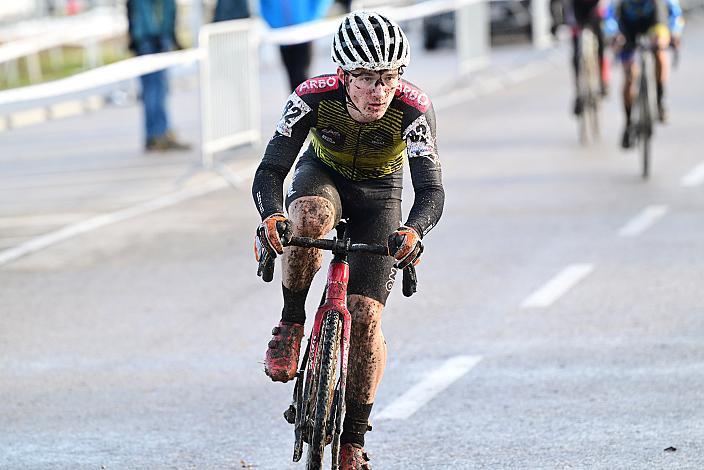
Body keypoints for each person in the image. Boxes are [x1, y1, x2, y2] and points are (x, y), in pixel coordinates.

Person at [251, 11, 444, 469]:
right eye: (366, 78)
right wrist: (273, 215)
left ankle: (353, 439)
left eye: (389, 77)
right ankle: (292, 322)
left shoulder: (414, 109)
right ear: (342, 75)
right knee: (308, 218)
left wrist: (413, 231)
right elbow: (271, 169)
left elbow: (431, 189)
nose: (379, 91)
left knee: (366, 319)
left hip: (381, 195)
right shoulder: (310, 98)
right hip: (325, 177)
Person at [611, 0, 684, 148]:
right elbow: (610, 13)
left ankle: (660, 98)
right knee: (629, 76)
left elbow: (674, 10)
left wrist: (675, 33)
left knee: (659, 51)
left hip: (654, 20)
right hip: (628, 25)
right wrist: (613, 34)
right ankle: (628, 123)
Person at [126, 0, 191, 152]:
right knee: (155, 89)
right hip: (152, 39)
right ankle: (158, 134)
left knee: (155, 89)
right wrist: (157, 35)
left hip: (152, 38)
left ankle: (156, 134)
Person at [259, 0, 333, 91]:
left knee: (302, 75)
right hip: (283, 36)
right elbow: (264, 5)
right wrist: (273, 23)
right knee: (291, 75)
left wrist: (313, 18)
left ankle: (306, 100)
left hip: (304, 34)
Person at [564, 0, 612, 115]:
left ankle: (603, 80)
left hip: (595, 7)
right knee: (576, 54)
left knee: (601, 47)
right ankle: (579, 91)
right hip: (577, 8)